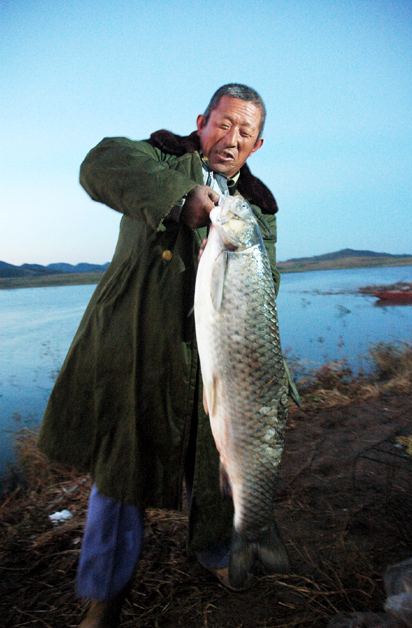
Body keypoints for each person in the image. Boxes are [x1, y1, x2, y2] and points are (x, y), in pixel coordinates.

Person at [37, 83, 293, 628]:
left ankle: (222, 553)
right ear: (201, 121)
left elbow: (264, 285)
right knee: (121, 475)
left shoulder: (258, 210)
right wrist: (181, 201)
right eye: (223, 123)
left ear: (258, 145)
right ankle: (103, 598)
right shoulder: (159, 158)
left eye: (245, 132)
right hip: (138, 348)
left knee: (222, 462)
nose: (231, 138)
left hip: (213, 358)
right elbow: (99, 164)